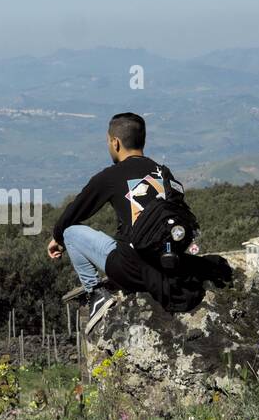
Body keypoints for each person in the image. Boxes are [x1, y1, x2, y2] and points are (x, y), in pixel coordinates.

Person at [47, 112, 228, 332]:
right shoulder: (164, 172)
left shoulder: (110, 177)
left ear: (115, 142)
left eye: (108, 142)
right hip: (169, 266)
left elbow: (72, 214)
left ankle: (96, 295)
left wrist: (57, 237)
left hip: (130, 270)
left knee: (71, 233)